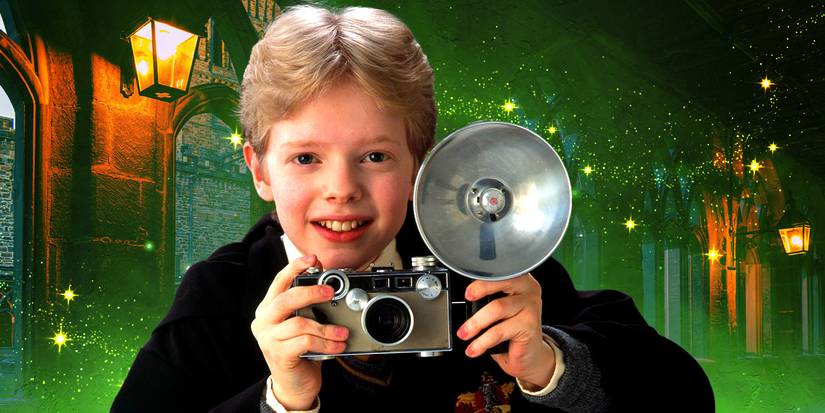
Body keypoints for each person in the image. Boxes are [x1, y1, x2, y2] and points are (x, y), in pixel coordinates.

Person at [112, 5, 714, 412]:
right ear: (259, 169)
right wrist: (281, 400)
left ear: (420, 167)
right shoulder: (218, 298)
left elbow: (687, 397)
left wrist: (552, 366)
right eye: (305, 159)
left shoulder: (487, 268)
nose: (341, 188)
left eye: (375, 155)